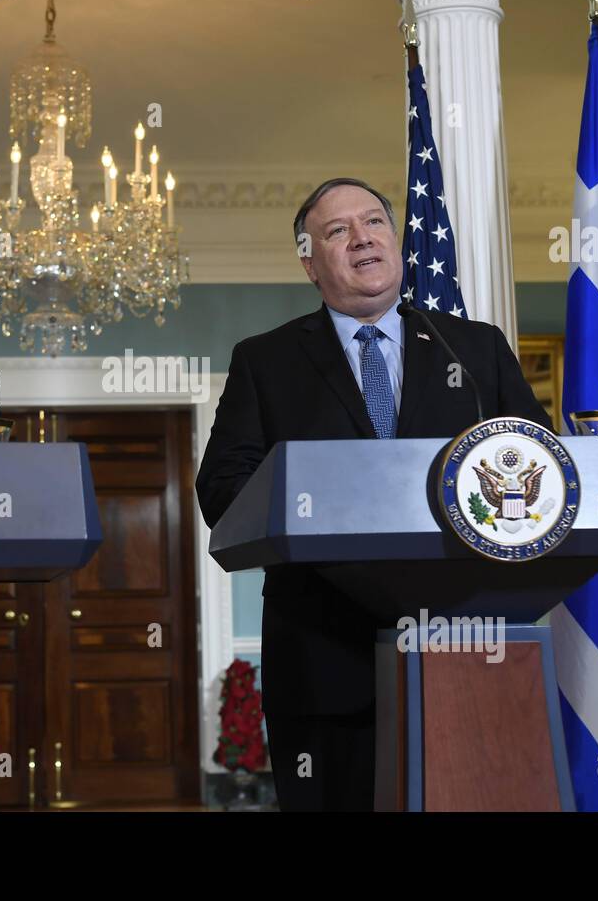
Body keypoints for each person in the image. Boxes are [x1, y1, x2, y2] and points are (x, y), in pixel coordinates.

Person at [195, 178, 551, 811]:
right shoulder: (266, 361)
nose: (362, 238)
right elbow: (222, 491)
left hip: (468, 641)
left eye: (375, 222)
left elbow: (536, 463)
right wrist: (322, 499)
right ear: (310, 260)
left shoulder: (473, 349)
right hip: (322, 654)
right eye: (338, 231)